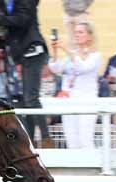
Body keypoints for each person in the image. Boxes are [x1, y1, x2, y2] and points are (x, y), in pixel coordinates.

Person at [0, 0, 52, 147]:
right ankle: (30, 140)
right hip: (21, 54)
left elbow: (20, 21)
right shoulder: (3, 3)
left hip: (33, 50)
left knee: (31, 98)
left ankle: (46, 138)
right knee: (25, 99)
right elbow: (8, 27)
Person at [48, 22, 101, 150]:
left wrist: (67, 50)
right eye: (76, 32)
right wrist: (55, 51)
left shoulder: (95, 55)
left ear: (89, 36)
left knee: (85, 139)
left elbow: (83, 67)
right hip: (69, 101)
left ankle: (90, 167)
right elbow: (55, 68)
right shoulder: (71, 55)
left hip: (86, 101)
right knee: (71, 140)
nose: (77, 35)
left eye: (81, 32)